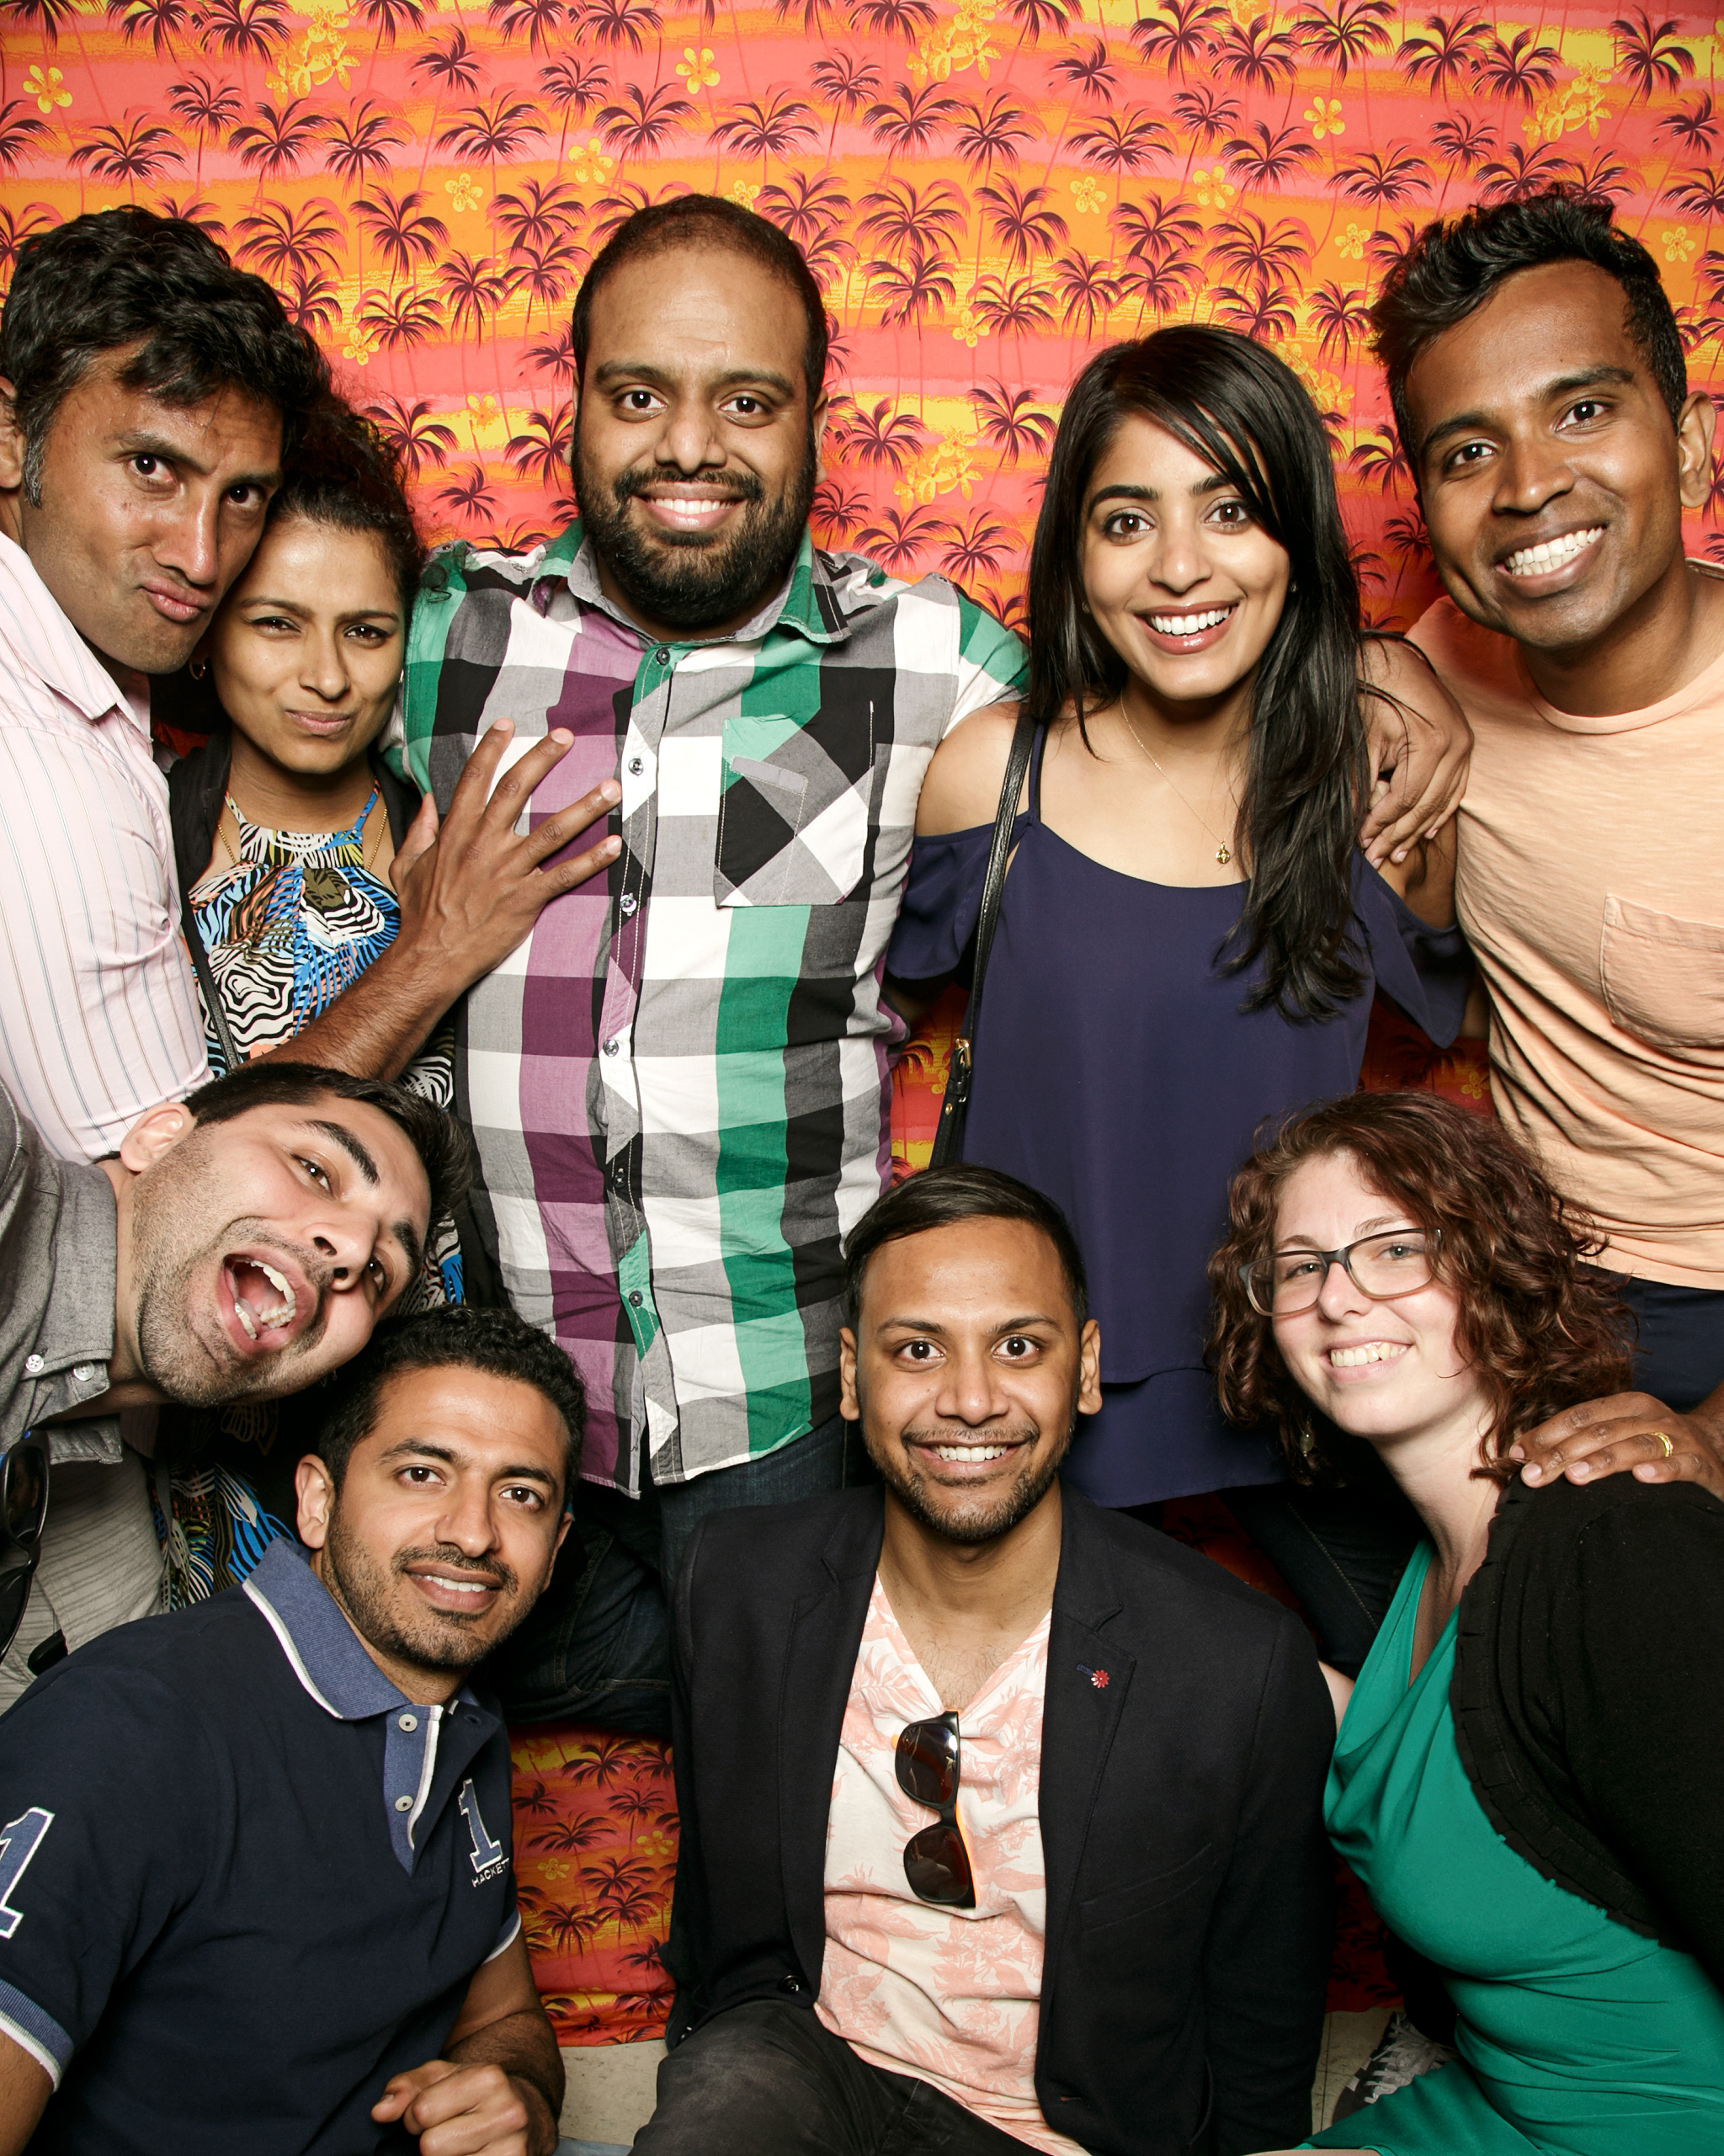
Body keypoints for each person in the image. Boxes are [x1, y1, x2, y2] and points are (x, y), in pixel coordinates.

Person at [394, 195, 1470, 1723]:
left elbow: (1187, 666)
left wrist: (1382, 656)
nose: (689, 444)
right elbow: (273, 652)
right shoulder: (442, 633)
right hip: (573, 1358)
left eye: (746, 400)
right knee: (863, 1705)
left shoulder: (932, 664)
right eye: (636, 393)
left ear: (812, 417)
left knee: (1423, 1692)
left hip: (813, 1367)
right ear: (571, 395)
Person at [514, 1166, 1336, 2156]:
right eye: (914, 1348)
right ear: (851, 1378)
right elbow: (721, 1888)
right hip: (805, 2059)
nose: (966, 1398)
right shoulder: (741, 1581)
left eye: (1017, 1344)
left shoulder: (1232, 1663)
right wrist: (712, 2071)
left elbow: (1260, 2023)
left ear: (1084, 1369)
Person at [0, 1304, 818, 2156]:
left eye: (522, 1494)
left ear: (557, 1544)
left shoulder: (454, 1722)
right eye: (424, 1472)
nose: (473, 1534)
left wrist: (513, 2095)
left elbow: (503, 2021)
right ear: (318, 1498)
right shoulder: (132, 1733)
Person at [1125, 1091, 1724, 2156]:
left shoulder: (1610, 1541)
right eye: (1299, 1264)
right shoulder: (1428, 1573)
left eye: (1393, 1248)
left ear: (1494, 1264)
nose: (1340, 1296)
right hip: (1524, 2121)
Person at [890, 327, 1473, 1671]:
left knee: (1465, 1695)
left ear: (1296, 540)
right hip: (1047, 1385)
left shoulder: (1375, 788)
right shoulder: (995, 777)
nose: (1179, 566)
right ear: (1075, 552)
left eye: (1230, 510)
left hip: (1309, 1370)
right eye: (1126, 519)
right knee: (1070, 1752)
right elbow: (874, 1015)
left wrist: (1387, 660)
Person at [153, 393, 635, 1628]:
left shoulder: (451, 826)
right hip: (239, 1401)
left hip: (441, 1400)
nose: (326, 677)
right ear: (210, 632)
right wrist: (425, 956)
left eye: (365, 632)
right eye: (276, 623)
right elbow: (165, 1162)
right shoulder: (147, 840)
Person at [1372, 187, 1724, 1507]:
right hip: (1543, 1288)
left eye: (1582, 412)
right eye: (1469, 451)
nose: (1527, 487)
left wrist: (1715, 1440)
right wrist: (1363, 661)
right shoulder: (1439, 674)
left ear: (1688, 449)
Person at [0, 209, 325, 1166]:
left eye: (242, 496)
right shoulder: (47, 765)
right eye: (151, 467)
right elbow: (168, 1202)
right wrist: (432, 954)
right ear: (11, 436)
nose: (201, 556)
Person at [0, 1056, 466, 1706]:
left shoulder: (100, 1562)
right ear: (159, 1137)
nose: (354, 1250)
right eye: (315, 1171)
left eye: (379, 1273)